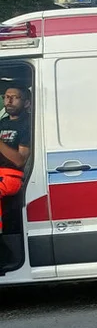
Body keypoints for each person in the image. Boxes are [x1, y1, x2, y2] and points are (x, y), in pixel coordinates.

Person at [0, 85, 30, 235]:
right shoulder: (2, 122)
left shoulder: (28, 124)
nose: (9, 101)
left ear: (26, 103)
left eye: (15, 97)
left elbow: (20, 160)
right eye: (6, 97)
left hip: (12, 176)